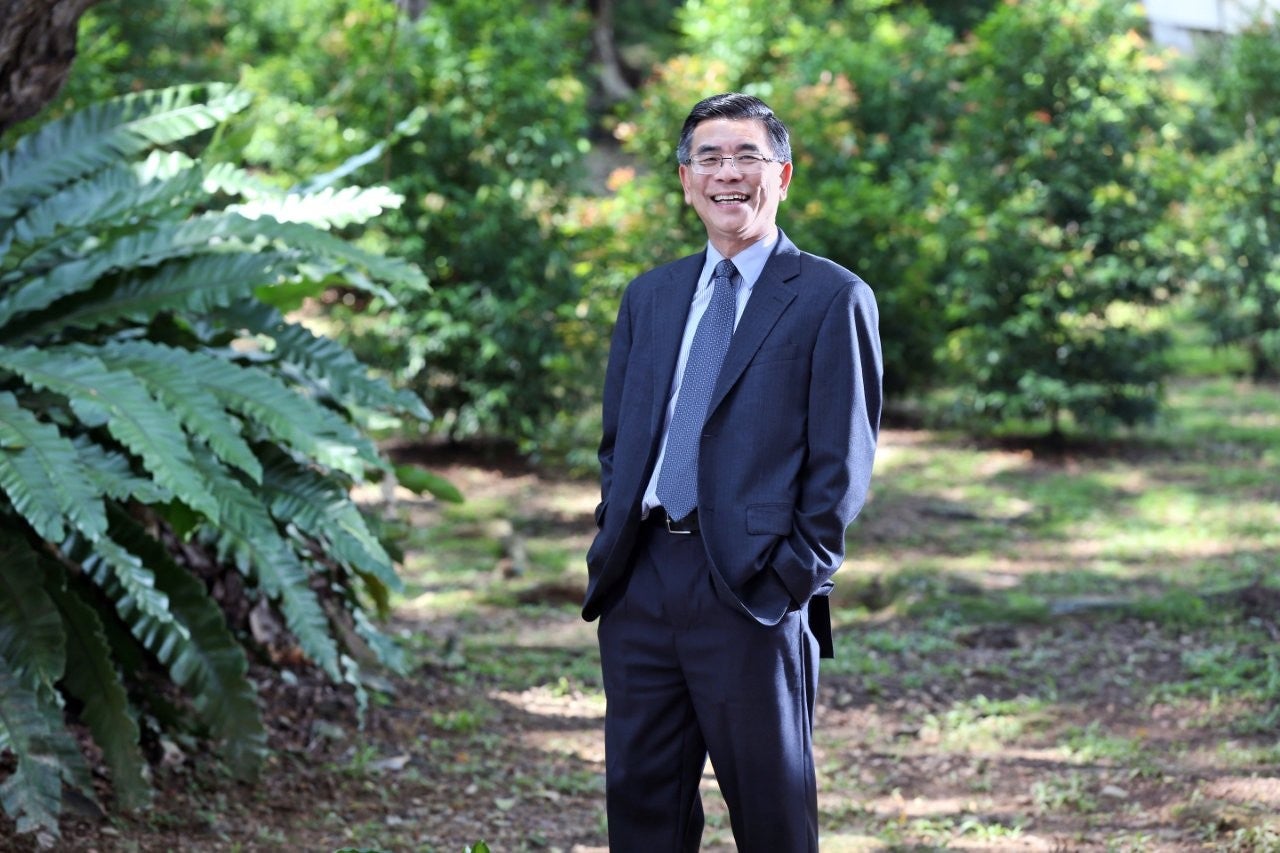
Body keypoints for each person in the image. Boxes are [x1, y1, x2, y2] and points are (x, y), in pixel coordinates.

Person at [581, 92, 883, 852]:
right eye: (709, 158)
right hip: (641, 582)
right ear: (686, 180)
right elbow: (621, 441)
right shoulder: (650, 296)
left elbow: (842, 463)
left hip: (754, 590)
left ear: (782, 175)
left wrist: (790, 578)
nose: (728, 173)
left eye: (748, 156)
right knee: (642, 811)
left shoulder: (832, 297)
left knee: (772, 814)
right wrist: (612, 543)